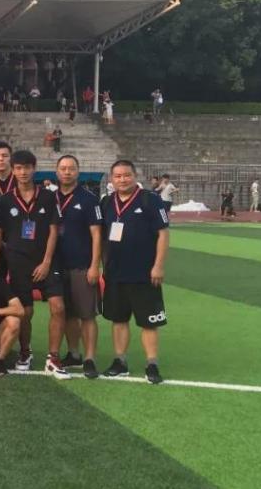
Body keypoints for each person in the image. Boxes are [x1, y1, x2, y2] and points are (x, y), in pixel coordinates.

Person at [0, 150, 65, 377]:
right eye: (19, 168)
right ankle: (25, 352)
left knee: (58, 307)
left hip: (46, 261)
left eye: (27, 168)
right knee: (25, 312)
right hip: (18, 262)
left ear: (34, 168)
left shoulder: (49, 196)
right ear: (13, 170)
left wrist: (46, 262)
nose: (23, 172)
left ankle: (53, 357)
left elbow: (54, 231)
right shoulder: (5, 200)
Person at [99, 160, 170, 384]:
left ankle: (152, 364)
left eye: (127, 175)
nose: (122, 179)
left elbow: (163, 234)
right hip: (115, 273)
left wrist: (158, 265)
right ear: (112, 179)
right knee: (118, 319)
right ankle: (120, 362)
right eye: (118, 176)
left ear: (134, 176)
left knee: (149, 322)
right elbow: (101, 237)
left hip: (144, 273)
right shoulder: (106, 202)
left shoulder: (150, 200)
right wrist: (102, 265)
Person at [53, 155, 102, 379]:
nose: (67, 172)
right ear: (56, 172)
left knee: (87, 314)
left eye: (71, 169)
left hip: (82, 265)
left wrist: (94, 266)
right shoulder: (50, 197)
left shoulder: (89, 199)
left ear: (78, 172)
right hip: (58, 265)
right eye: (63, 168)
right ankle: (74, 353)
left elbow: (97, 234)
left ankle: (90, 358)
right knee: (68, 314)